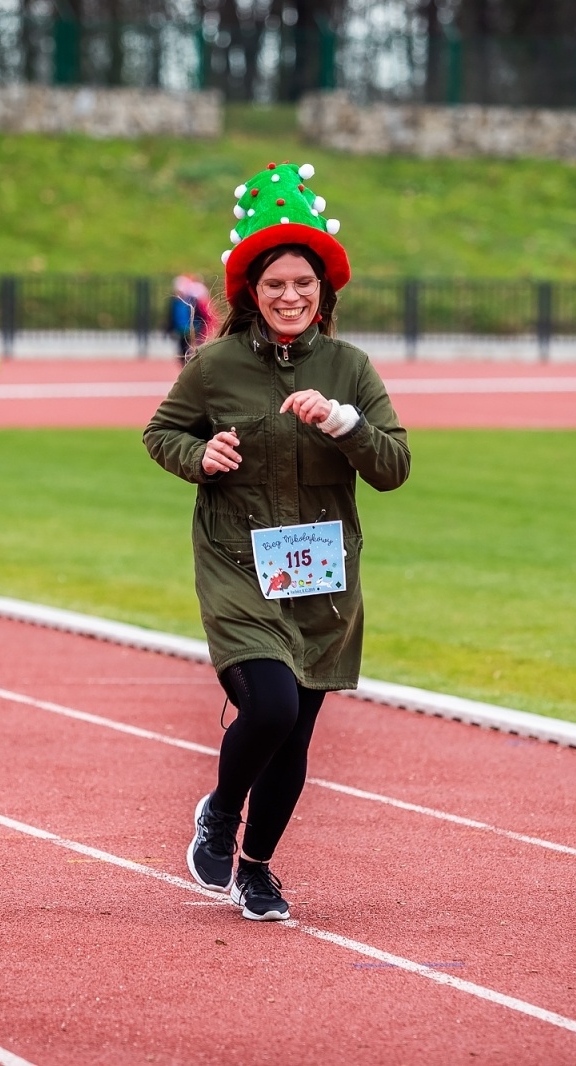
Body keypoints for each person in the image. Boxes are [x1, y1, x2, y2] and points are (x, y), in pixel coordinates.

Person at [144, 163, 409, 921]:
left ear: (325, 291)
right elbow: (161, 432)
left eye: (304, 283)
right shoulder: (217, 365)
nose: (290, 296)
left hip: (323, 581)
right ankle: (222, 812)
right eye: (274, 285)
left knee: (295, 737)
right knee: (270, 706)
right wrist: (202, 457)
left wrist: (344, 423)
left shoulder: (350, 369)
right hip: (237, 566)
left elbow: (393, 468)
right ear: (250, 294)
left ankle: (256, 868)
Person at [168, 274, 217, 366]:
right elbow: (172, 316)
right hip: (181, 330)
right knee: (182, 350)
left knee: (193, 349)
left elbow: (200, 315)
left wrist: (200, 326)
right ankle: (186, 367)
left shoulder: (192, 300)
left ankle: (193, 366)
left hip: (193, 329)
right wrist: (170, 328)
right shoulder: (175, 302)